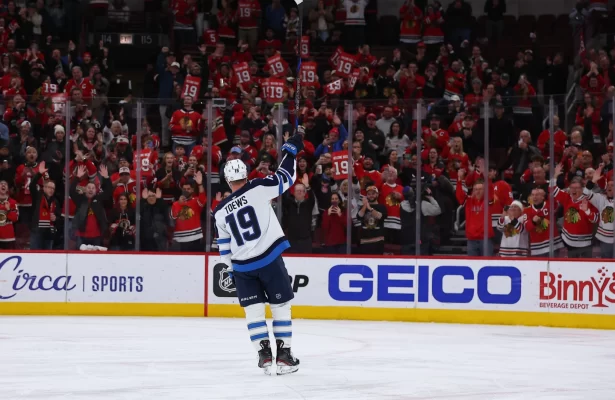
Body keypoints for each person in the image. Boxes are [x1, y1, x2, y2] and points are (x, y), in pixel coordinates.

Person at [213, 133, 303, 375]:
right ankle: (283, 357)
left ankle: (264, 355)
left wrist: (230, 269)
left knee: (253, 311)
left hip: (242, 267)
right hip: (269, 260)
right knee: (280, 306)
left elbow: (224, 246)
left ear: (227, 180)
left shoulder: (219, 211)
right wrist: (291, 151)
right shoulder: (258, 187)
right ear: (246, 173)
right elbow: (286, 177)